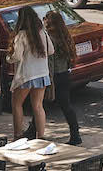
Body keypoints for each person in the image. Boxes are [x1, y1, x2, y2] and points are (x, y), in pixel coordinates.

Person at [8, 5, 53, 140]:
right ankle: (41, 136)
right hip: (42, 73)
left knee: (17, 104)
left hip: (26, 75)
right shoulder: (43, 33)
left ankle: (18, 134)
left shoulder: (22, 35)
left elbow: (16, 56)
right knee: (38, 106)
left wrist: (8, 58)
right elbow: (51, 51)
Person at [41, 10, 82, 145]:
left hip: (54, 75)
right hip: (64, 74)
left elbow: (50, 62)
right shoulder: (64, 36)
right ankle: (75, 134)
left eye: (45, 20)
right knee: (65, 105)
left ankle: (33, 130)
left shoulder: (50, 38)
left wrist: (49, 79)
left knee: (41, 104)